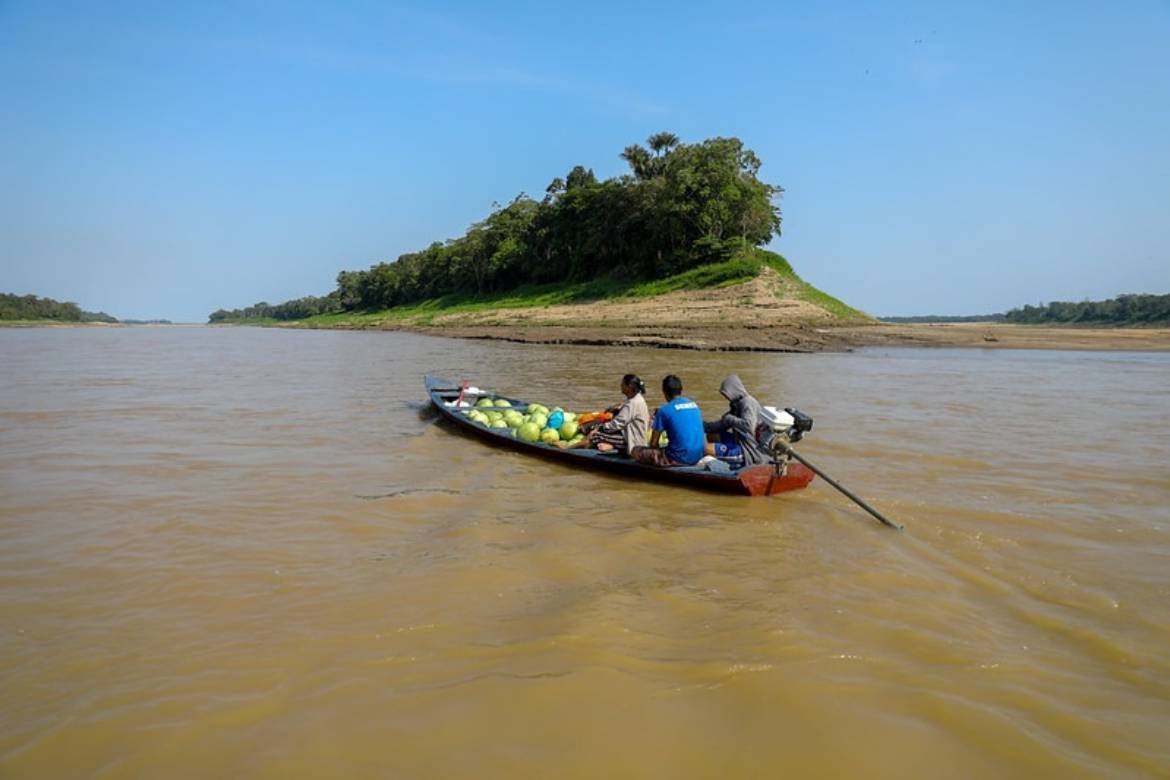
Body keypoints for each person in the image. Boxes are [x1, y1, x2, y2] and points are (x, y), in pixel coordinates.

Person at [563, 374, 649, 455]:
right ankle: (606, 444)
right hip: (631, 434)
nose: (621, 386)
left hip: (632, 440)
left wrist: (599, 428)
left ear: (629, 387)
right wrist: (615, 409)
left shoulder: (632, 404)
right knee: (597, 426)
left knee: (596, 435)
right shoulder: (637, 398)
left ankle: (567, 449)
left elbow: (616, 425)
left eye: (622, 384)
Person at [632, 375, 706, 467]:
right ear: (681, 389)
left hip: (679, 458)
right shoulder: (694, 405)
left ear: (664, 391)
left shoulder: (664, 410)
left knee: (635, 450)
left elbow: (654, 444)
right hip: (699, 455)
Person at [703, 374, 770, 465]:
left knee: (706, 449)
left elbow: (748, 425)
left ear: (733, 390)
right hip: (738, 442)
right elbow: (720, 425)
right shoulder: (736, 405)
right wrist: (699, 424)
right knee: (713, 434)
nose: (726, 397)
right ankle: (724, 458)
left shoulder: (748, 403)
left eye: (726, 394)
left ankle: (729, 461)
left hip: (750, 451)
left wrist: (729, 418)